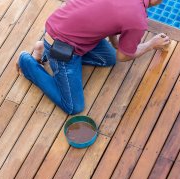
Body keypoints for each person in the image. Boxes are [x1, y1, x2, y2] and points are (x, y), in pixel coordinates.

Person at [17, 0, 170, 115]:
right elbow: (123, 56)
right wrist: (151, 44)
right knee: (73, 106)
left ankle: (44, 48)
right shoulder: (137, 20)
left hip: (59, 22)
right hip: (62, 47)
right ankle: (27, 62)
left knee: (108, 58)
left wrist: (115, 43)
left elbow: (109, 16)